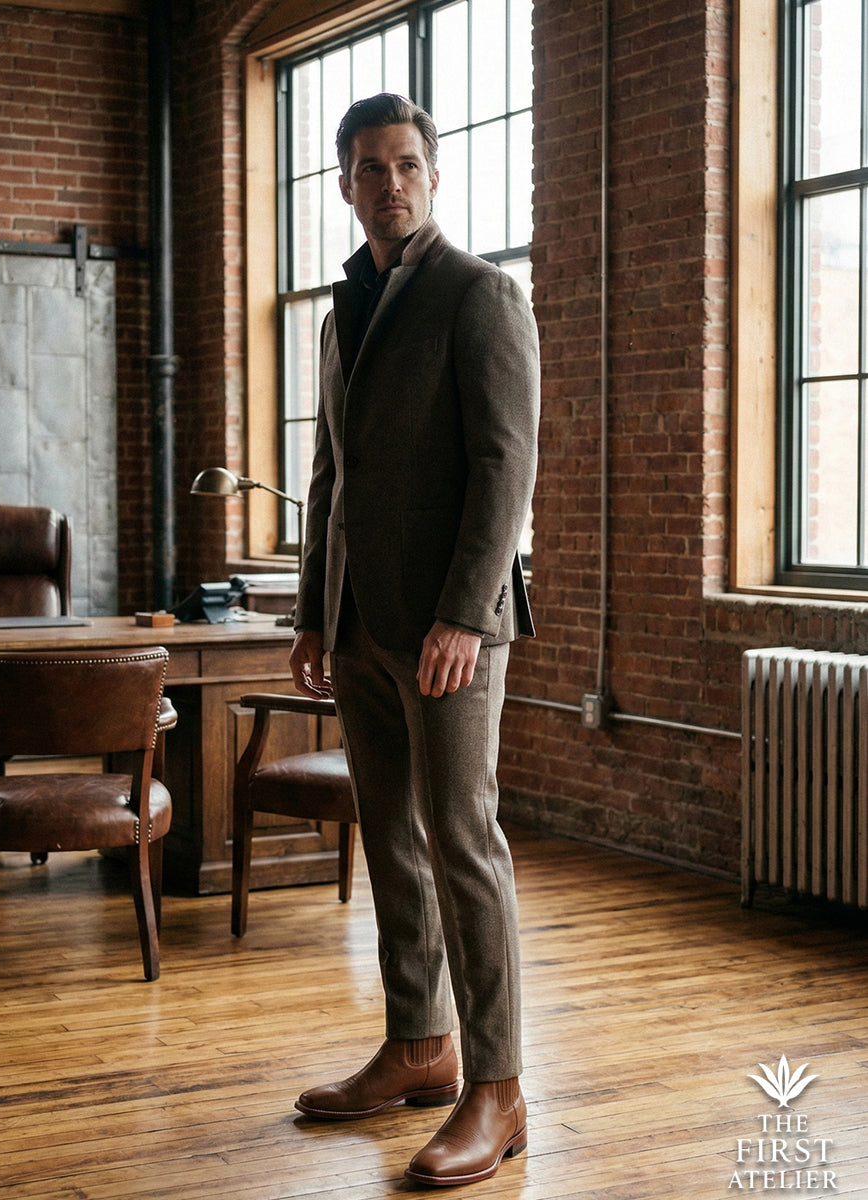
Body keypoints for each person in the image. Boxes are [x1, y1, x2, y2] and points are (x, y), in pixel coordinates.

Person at [288, 93, 540, 1188]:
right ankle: (418, 1042)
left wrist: (462, 616)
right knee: (388, 836)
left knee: (462, 840)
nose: (388, 182)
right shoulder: (342, 313)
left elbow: (505, 468)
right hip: (358, 625)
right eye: (367, 167)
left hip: (449, 631)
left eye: (406, 164)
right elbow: (329, 477)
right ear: (344, 186)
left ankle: (497, 1086)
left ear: (432, 176)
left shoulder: (480, 296)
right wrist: (311, 611)